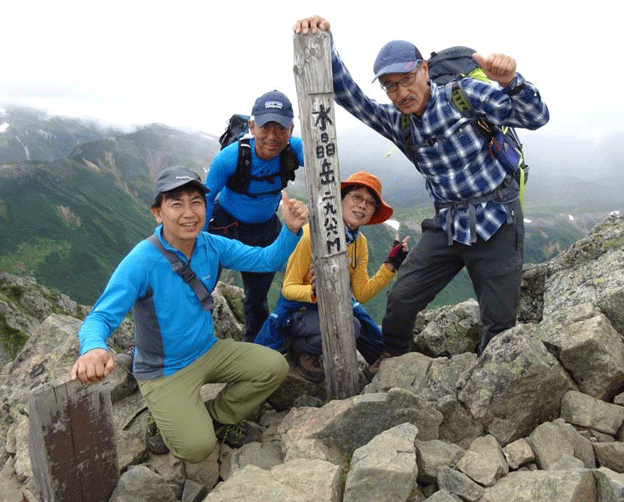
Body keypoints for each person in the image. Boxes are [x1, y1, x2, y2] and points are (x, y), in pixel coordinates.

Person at [293, 16, 550, 370]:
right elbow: (349, 95)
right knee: (401, 298)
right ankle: (393, 361)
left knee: (500, 320)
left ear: (425, 69)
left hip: (496, 218)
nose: (401, 92)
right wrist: (324, 39)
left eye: (407, 79)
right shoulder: (399, 122)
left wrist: (510, 82)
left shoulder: (465, 95)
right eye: (390, 86)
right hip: (448, 223)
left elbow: (536, 117)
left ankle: (485, 381)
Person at [71, 165, 308, 463]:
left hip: (207, 350)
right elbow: (101, 316)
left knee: (274, 366)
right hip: (163, 368)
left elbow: (265, 260)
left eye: (196, 202)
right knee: (196, 449)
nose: (189, 212)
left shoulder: (211, 244)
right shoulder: (142, 260)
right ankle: (162, 415)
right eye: (176, 204)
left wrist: (291, 229)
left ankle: (217, 417)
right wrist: (93, 348)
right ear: (158, 213)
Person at [255, 171, 409, 382]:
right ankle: (300, 349)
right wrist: (312, 291)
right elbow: (288, 288)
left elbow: (361, 293)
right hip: (298, 311)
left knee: (353, 313)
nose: (363, 205)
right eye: (357, 197)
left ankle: (375, 362)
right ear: (340, 199)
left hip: (327, 308)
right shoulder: (311, 234)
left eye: (370, 203)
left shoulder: (359, 243)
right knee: (350, 324)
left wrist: (391, 265)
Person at [205, 90, 304, 342]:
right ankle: (193, 340)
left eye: (280, 128)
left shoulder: (295, 150)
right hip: (225, 223)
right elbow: (207, 196)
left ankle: (255, 345)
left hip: (264, 228)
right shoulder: (229, 158)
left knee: (257, 296)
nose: (272, 137)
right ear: (252, 126)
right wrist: (200, 241)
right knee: (200, 285)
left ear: (291, 129)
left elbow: (324, 171)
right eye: (264, 127)